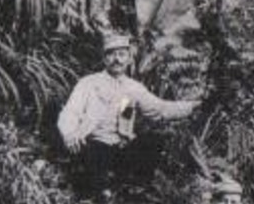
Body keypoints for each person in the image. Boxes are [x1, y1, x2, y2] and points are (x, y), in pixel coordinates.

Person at [57, 33, 197, 192]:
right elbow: (70, 112)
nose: (117, 59)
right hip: (94, 144)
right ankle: (100, 189)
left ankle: (134, 188)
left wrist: (192, 106)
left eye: (121, 54)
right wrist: (69, 134)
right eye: (111, 54)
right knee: (94, 161)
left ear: (129, 58)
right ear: (104, 58)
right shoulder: (88, 83)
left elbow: (160, 109)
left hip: (120, 146)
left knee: (153, 141)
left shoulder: (133, 88)